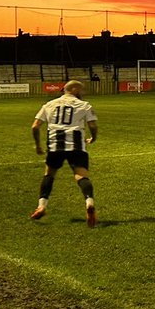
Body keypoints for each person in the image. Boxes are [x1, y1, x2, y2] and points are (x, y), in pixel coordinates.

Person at [29, 80, 99, 227]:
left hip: (55, 147)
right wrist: (93, 138)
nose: (83, 93)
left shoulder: (48, 105)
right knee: (81, 176)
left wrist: (38, 145)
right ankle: (89, 203)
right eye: (82, 90)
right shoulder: (85, 105)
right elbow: (93, 125)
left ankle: (42, 206)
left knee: (49, 175)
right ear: (74, 89)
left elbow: (35, 127)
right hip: (77, 147)